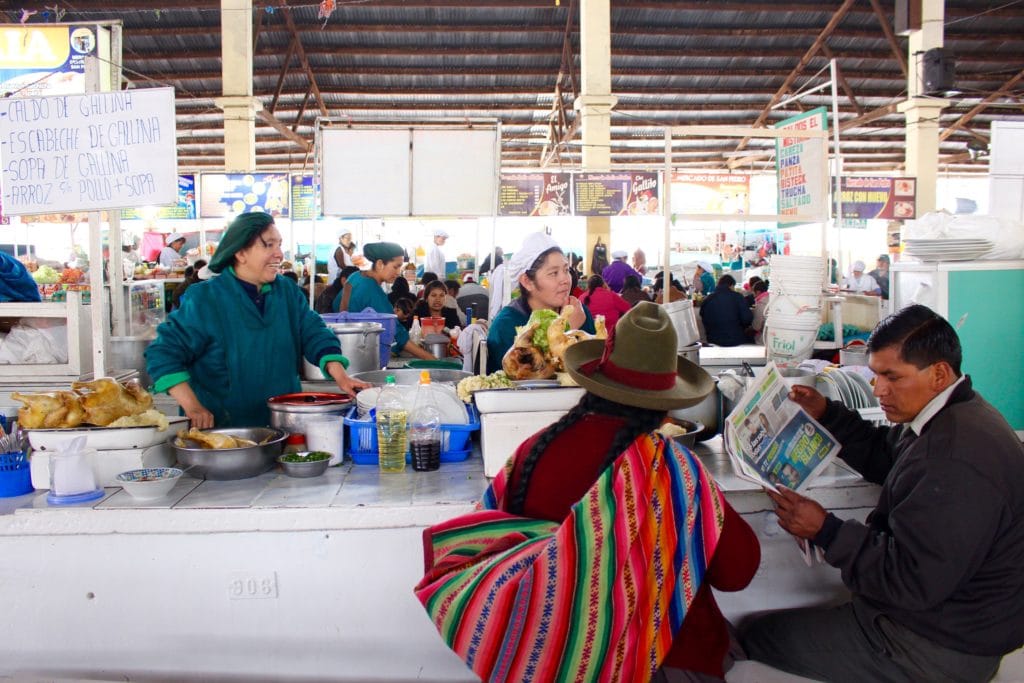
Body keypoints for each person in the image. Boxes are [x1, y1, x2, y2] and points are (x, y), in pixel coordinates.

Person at [415, 303, 760, 681]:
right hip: (669, 663)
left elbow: (486, 541)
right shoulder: (673, 470)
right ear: (666, 406)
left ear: (596, 383)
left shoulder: (535, 450)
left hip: (559, 666)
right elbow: (737, 573)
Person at [742, 305, 1024, 683]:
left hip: (937, 647)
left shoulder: (955, 459)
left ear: (939, 374)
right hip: (942, 623)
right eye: (875, 376)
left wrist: (826, 531)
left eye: (892, 377)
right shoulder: (953, 414)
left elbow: (912, 582)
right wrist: (828, 414)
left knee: (754, 637)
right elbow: (886, 454)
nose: (878, 391)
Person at [145, 213, 368, 429]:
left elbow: (314, 332)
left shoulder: (286, 292)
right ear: (240, 252)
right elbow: (162, 353)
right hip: (224, 434)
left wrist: (341, 376)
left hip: (283, 427)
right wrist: (193, 407)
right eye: (269, 245)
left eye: (279, 245)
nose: (279, 254)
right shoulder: (205, 299)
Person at [486, 232, 595, 374]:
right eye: (553, 273)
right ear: (527, 281)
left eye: (566, 270)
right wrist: (567, 329)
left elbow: (594, 366)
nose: (565, 280)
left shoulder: (578, 312)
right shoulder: (506, 325)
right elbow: (523, 378)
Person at [333, 242, 435, 361]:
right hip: (359, 356)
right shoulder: (371, 289)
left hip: (344, 350)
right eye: (396, 266)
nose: (398, 273)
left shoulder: (355, 277)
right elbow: (398, 334)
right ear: (380, 264)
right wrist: (432, 360)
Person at [700, 274, 753, 347]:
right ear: (731, 286)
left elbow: (703, 317)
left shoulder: (708, 299)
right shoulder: (738, 297)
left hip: (713, 340)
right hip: (736, 339)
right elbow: (747, 318)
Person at [749, 279, 769, 345]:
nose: (753, 295)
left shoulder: (761, 304)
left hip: (765, 339)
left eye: (753, 292)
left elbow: (756, 327)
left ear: (757, 292)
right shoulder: (770, 299)